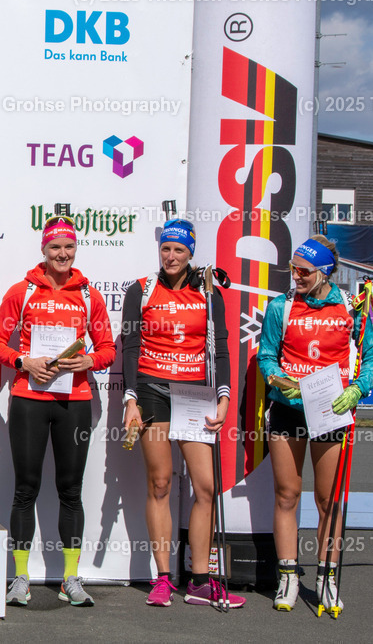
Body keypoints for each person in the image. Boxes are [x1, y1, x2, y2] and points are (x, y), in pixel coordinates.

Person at [0, 215, 116, 608]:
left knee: (70, 491)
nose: (62, 254)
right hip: (29, 400)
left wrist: (88, 361)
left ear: (76, 250)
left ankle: (70, 578)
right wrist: (24, 361)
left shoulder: (89, 295)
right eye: (55, 247)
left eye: (69, 247)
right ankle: (20, 577)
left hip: (73, 403)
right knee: (25, 489)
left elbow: (108, 348)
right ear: (43, 250)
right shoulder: (22, 292)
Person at [120, 219, 245, 608]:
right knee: (159, 483)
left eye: (179, 250)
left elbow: (220, 349)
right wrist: (130, 400)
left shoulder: (209, 293)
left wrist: (224, 398)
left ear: (191, 252)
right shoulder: (141, 290)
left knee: (205, 487)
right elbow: (130, 347)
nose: (171, 256)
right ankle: (162, 578)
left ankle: (201, 580)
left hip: (194, 394)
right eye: (165, 249)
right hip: (153, 391)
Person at [258, 235, 373, 612]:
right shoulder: (281, 306)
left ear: (325, 272)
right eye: (293, 268)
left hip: (330, 409)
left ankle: (327, 577)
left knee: (328, 499)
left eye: (304, 271)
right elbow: (266, 358)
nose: (296, 276)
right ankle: (288, 577)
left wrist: (357, 390)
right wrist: (283, 383)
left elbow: (371, 358)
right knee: (286, 494)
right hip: (289, 408)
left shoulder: (349, 306)